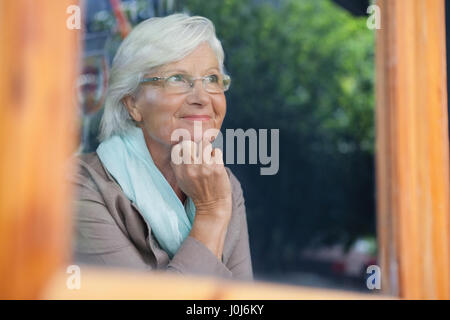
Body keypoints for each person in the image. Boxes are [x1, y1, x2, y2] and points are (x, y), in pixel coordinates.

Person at [72, 13, 253, 281]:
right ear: (132, 103)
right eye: (177, 79)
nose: (202, 97)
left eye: (213, 79)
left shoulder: (224, 184)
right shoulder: (80, 188)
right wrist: (211, 213)